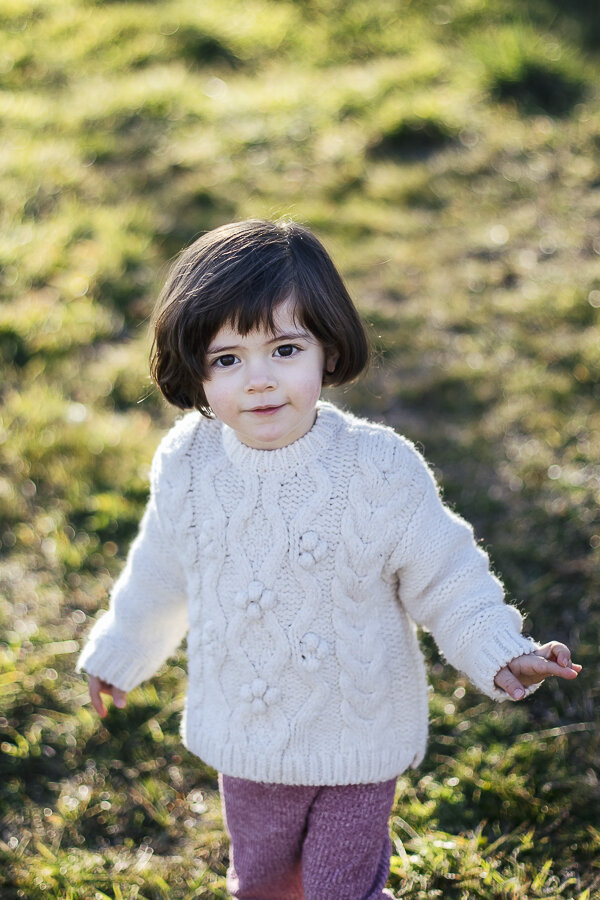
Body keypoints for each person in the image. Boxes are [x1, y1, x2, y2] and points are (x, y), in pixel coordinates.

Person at [77, 219, 581, 900]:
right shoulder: (188, 462)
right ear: (193, 368)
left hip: (358, 739)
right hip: (247, 735)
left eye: (284, 349)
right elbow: (161, 571)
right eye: (227, 359)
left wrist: (500, 649)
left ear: (328, 350)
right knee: (262, 883)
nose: (259, 380)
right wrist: (120, 649)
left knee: (342, 890)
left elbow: (448, 577)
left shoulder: (379, 469)